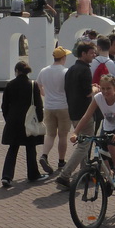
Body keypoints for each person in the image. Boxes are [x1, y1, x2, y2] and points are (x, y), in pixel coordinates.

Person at [70, 74, 115, 192]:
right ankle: (109, 173)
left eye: (108, 88)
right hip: (107, 127)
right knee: (99, 148)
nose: (105, 91)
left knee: (111, 146)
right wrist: (75, 132)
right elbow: (86, 116)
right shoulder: (98, 98)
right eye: (103, 88)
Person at [56, 41, 98, 187]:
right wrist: (95, 89)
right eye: (91, 52)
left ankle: (84, 172)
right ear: (83, 54)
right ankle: (65, 175)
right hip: (84, 113)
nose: (94, 55)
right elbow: (87, 93)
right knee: (84, 145)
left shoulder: (70, 70)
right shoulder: (85, 70)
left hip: (73, 111)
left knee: (82, 143)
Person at [0, 61, 46, 188]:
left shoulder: (10, 84)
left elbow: (4, 105)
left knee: (13, 149)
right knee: (31, 148)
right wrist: (40, 119)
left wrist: (8, 118)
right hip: (28, 120)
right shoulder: (32, 84)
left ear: (17, 71)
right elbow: (38, 104)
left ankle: (6, 176)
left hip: (13, 121)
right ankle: (33, 174)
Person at [36, 46, 71, 176]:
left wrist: (44, 93)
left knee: (50, 134)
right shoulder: (65, 72)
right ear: (63, 58)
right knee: (63, 136)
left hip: (49, 106)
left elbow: (38, 84)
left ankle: (44, 155)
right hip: (63, 106)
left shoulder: (44, 71)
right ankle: (61, 161)